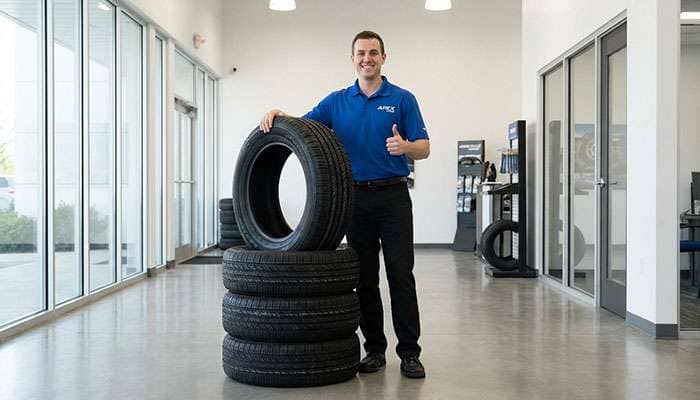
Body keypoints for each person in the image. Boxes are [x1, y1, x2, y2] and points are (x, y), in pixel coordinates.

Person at [259, 30, 430, 379]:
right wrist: (279, 114)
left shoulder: (402, 99)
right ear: (352, 59)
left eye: (373, 53)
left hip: (394, 196)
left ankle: (410, 354)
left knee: (401, 276)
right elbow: (303, 126)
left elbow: (425, 147)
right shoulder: (337, 102)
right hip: (355, 199)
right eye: (361, 53)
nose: (367, 58)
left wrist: (406, 148)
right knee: (364, 278)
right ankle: (375, 351)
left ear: (384, 57)